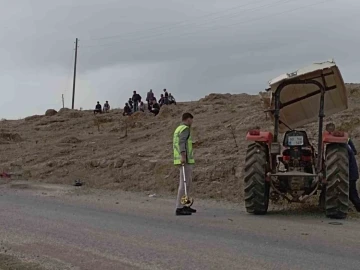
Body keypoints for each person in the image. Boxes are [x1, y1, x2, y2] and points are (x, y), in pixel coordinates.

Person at [173, 113, 196, 216]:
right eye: (191, 120)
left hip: (182, 159)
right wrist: (183, 156)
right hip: (184, 160)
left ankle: (185, 205)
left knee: (188, 182)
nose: (192, 122)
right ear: (187, 119)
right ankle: (179, 207)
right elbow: (182, 143)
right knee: (184, 184)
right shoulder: (185, 129)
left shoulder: (178, 129)